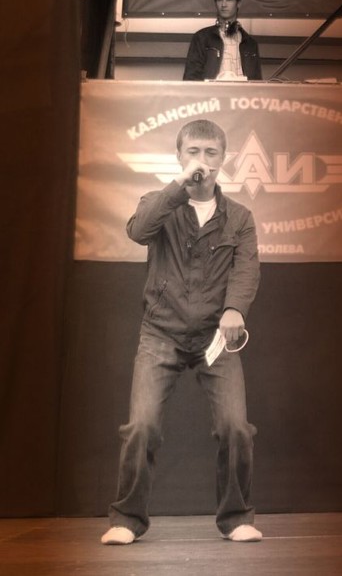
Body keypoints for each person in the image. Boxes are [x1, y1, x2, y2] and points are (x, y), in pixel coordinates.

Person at [101, 119, 262, 545]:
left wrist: (234, 309)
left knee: (236, 427)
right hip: (161, 333)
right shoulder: (159, 203)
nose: (201, 161)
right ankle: (127, 520)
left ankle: (236, 518)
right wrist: (178, 186)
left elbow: (246, 270)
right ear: (179, 156)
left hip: (215, 339)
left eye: (210, 153)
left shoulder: (240, 217)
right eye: (193, 152)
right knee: (141, 427)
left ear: (223, 159)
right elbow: (138, 231)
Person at [183, 0, 262, 81]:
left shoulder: (250, 43)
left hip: (242, 91)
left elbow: (257, 81)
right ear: (215, 3)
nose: (224, 4)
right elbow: (191, 78)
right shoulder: (201, 38)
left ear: (238, 3)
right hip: (212, 90)